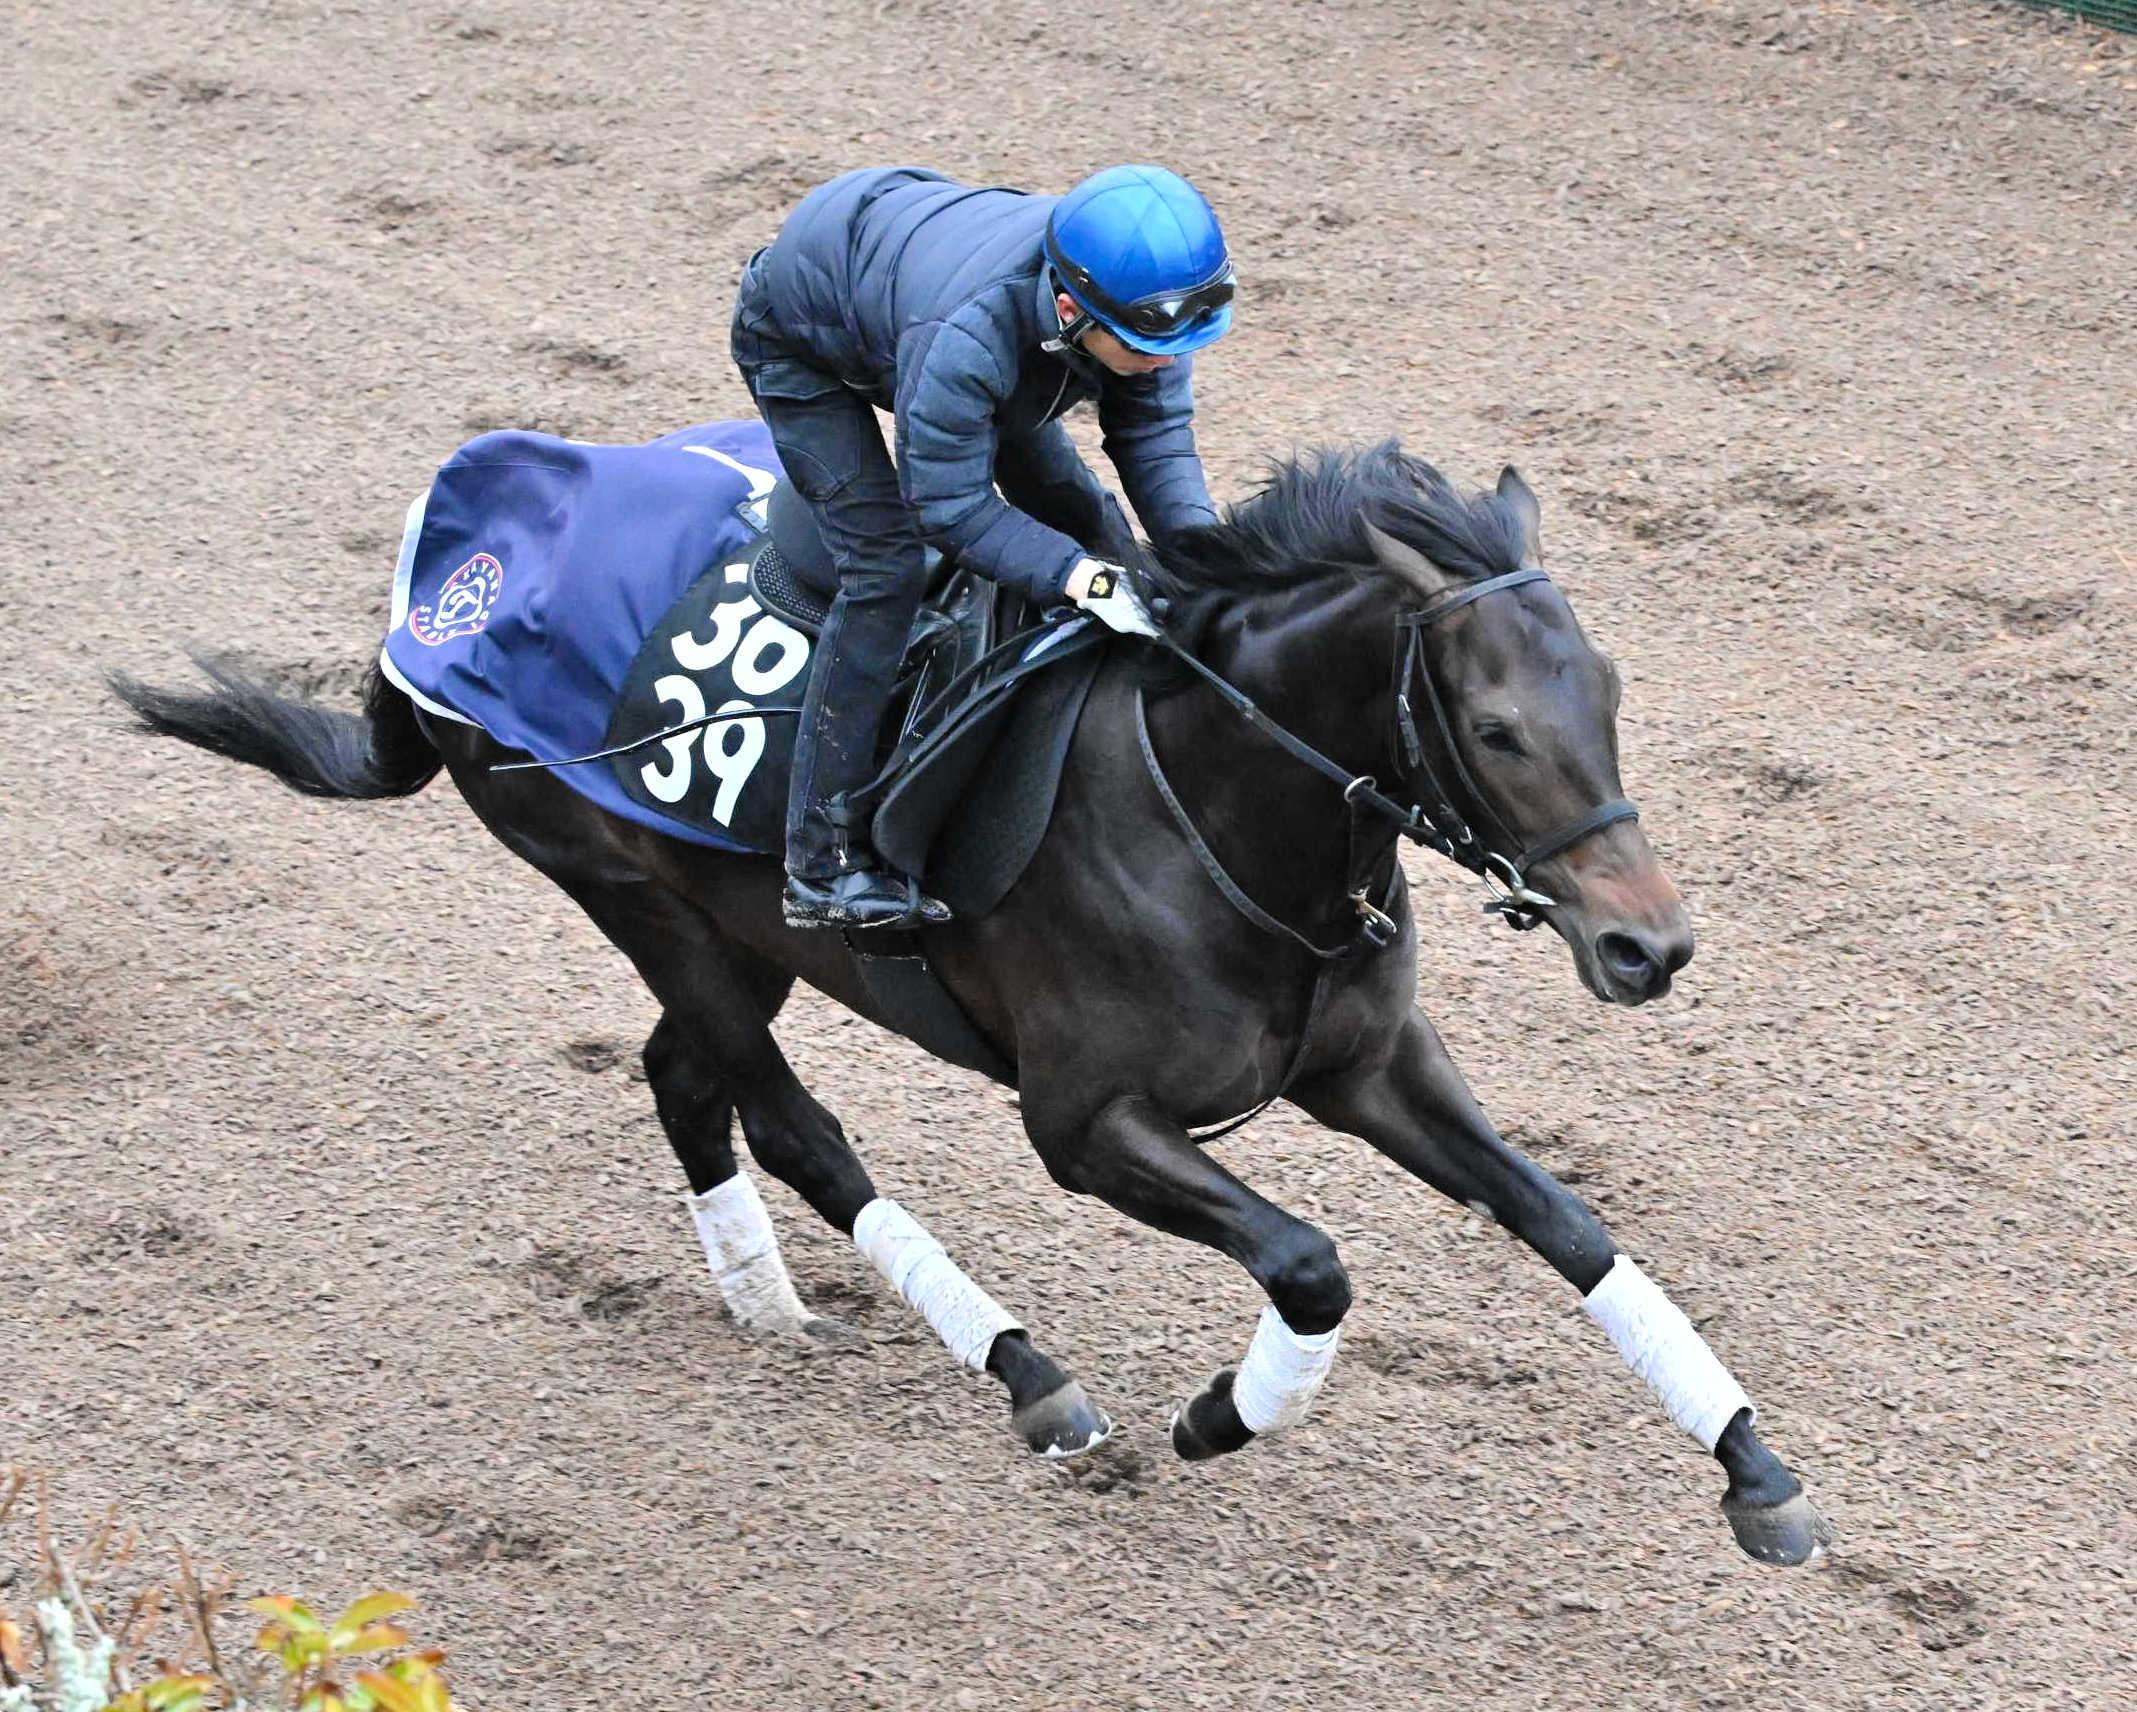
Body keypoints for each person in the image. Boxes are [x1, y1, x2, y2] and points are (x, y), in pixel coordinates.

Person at [730, 163, 1236, 929]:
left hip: (937, 303)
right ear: (1071, 308)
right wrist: (1081, 581)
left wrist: (1204, 562)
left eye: (1177, 343)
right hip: (807, 336)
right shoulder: (966, 342)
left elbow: (1155, 434)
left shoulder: (1140, 310)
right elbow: (947, 506)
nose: (1165, 362)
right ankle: (820, 862)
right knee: (884, 569)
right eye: (1143, 347)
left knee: (1086, 517)